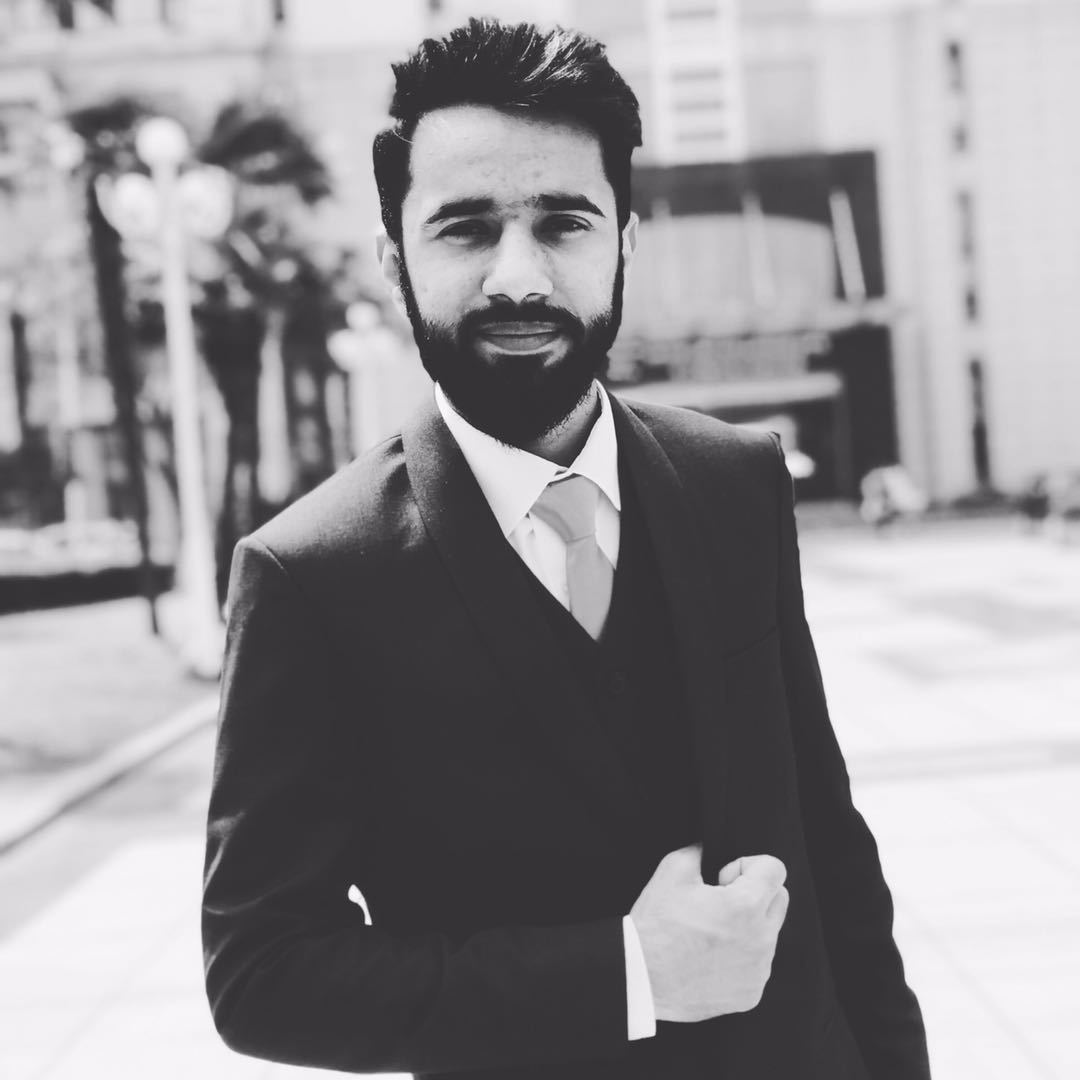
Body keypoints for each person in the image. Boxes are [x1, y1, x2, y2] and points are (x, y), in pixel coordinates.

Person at [202, 18, 931, 1080]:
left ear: (624, 242)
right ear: (395, 257)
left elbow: (829, 842)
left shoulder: (736, 480)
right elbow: (261, 975)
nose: (519, 277)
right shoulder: (310, 575)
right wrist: (629, 974)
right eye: (465, 228)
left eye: (563, 223)